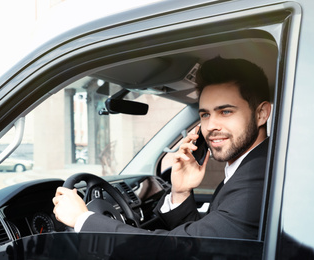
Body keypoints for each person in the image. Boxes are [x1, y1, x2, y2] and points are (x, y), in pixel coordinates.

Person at [52, 56, 272, 239]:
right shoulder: (248, 169)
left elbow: (183, 250)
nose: (211, 126)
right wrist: (181, 191)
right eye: (205, 114)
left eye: (225, 112)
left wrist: (82, 219)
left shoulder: (258, 179)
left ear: (261, 113)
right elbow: (207, 242)